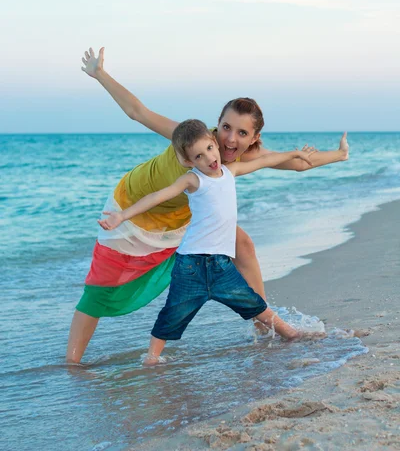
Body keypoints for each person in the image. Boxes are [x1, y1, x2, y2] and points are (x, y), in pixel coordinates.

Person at [66, 48, 348, 364]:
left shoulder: (243, 158)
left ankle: (262, 321)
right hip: (134, 205)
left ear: (254, 138)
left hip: (182, 215)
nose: (230, 139)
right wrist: (99, 73)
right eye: (226, 127)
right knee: (103, 286)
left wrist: (338, 155)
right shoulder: (191, 138)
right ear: (217, 124)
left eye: (242, 133)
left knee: (242, 244)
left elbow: (297, 163)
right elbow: (138, 112)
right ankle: (72, 363)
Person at [98, 119, 316, 364]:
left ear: (215, 143)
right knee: (173, 314)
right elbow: (158, 196)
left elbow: (265, 161)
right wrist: (122, 215)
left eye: (210, 149)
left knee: (254, 304)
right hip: (191, 267)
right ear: (189, 162)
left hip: (221, 266)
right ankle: (151, 358)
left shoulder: (231, 171)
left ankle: (292, 335)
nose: (209, 158)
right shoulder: (192, 180)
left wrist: (296, 153)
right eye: (199, 156)